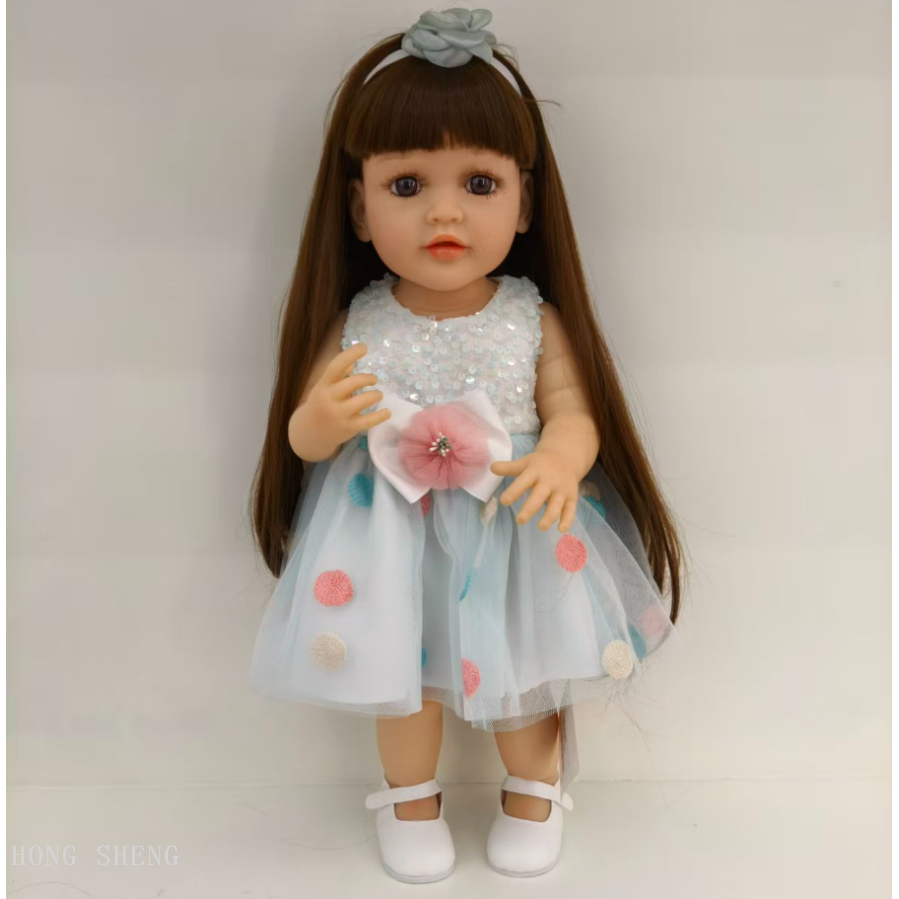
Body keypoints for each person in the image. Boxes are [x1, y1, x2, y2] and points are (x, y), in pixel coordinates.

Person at [249, 7, 684, 883]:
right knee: (397, 678)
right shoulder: (359, 317)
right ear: (358, 208)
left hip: (512, 525)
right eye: (406, 184)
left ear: (524, 201)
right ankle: (409, 801)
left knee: (523, 670)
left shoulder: (529, 315)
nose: (443, 210)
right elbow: (302, 430)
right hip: (383, 534)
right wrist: (320, 420)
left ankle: (534, 792)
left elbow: (572, 411)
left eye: (479, 183)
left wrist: (559, 457)